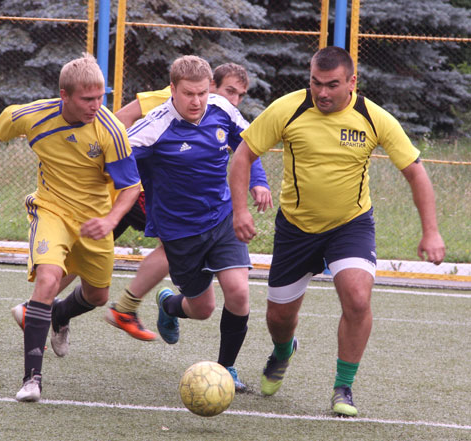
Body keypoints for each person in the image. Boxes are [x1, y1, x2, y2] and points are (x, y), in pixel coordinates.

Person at [228, 46, 446, 416]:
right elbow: (243, 155)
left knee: (358, 298)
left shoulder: (373, 118)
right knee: (278, 319)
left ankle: (343, 387)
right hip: (296, 228)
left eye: (332, 85)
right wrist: (240, 210)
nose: (323, 93)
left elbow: (415, 172)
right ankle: (283, 351)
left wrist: (432, 231)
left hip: (350, 224)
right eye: (316, 83)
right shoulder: (289, 108)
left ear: (352, 82)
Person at [0, 54, 141, 403]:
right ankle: (31, 380)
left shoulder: (110, 129)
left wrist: (111, 220)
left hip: (93, 221)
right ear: (64, 95)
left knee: (98, 296)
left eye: (100, 97)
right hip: (50, 210)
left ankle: (59, 315)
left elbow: (131, 186)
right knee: (48, 278)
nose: (96, 105)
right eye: (87, 99)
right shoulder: (28, 115)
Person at [114, 55, 273, 392]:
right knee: (202, 309)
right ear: (172, 89)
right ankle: (169, 304)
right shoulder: (154, 127)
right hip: (179, 232)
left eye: (202, 92)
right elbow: (114, 162)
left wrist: (258, 180)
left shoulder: (221, 108)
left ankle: (226, 367)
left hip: (222, 218)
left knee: (239, 293)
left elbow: (247, 144)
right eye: (189, 93)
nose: (197, 101)